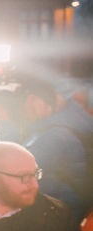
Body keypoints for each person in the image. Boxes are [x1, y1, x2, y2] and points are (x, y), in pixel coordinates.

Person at [18, 78, 93, 221]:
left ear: (50, 108)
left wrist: (4, 123)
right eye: (26, 99)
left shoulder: (54, 135)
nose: (27, 103)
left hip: (57, 213)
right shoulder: (40, 132)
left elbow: (17, 170)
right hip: (56, 208)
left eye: (34, 99)